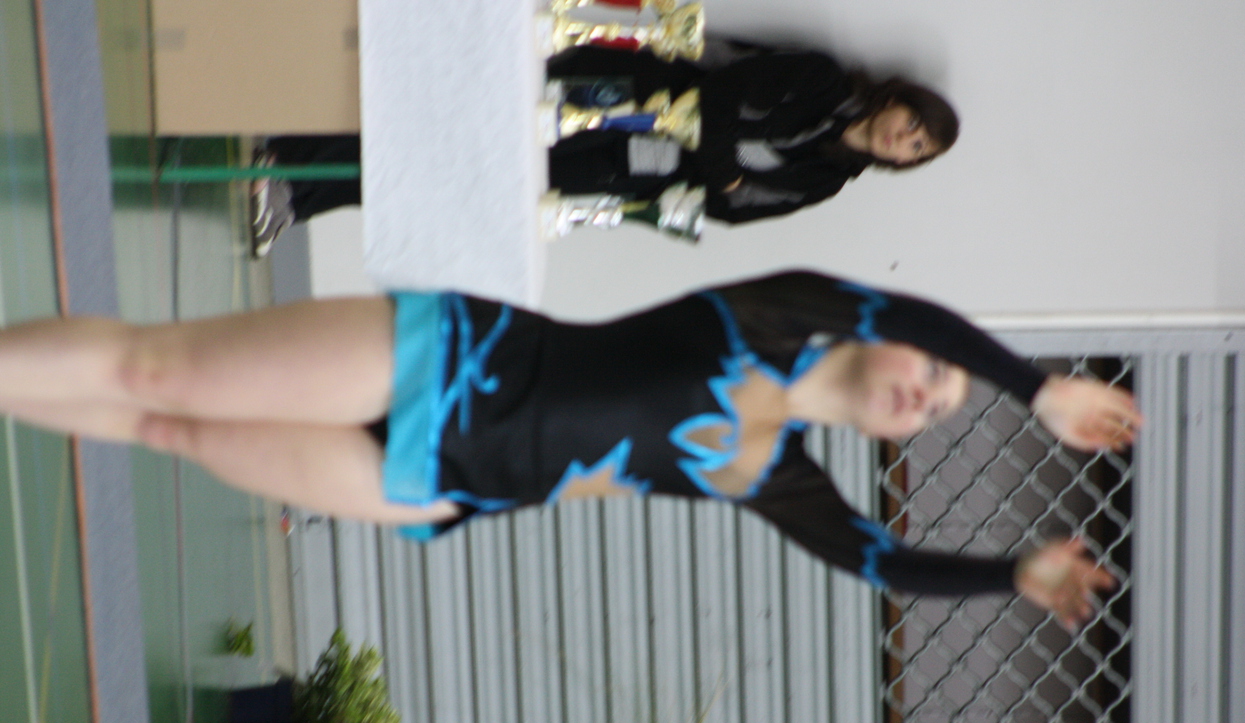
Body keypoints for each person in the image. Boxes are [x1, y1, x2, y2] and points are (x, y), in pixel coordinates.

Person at [0, 270, 1136, 628]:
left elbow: (880, 562)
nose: (927, 395)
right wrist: (1032, 388)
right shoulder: (775, 318)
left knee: (170, 428)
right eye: (934, 372)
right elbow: (906, 307)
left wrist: (1012, 572)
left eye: (935, 411)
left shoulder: (773, 475)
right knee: (156, 371)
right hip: (446, 362)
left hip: (440, 482)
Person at [248, 46, 960, 255]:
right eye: (914, 124)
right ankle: (290, 154)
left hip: (616, 171)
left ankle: (301, 198)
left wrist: (717, 174)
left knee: (460, 181)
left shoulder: (825, 180)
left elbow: (731, 212)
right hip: (619, 95)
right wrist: (721, 171)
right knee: (452, 124)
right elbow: (721, 96)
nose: (904, 139)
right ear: (898, 99)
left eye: (917, 148)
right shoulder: (823, 80)